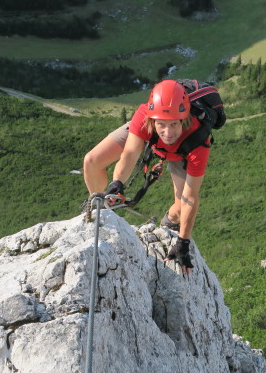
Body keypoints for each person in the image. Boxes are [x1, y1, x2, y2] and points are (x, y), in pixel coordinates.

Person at [83, 79, 222, 276]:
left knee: (181, 208)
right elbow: (131, 153)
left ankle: (168, 223)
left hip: (181, 151)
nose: (168, 132)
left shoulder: (199, 139)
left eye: (174, 124)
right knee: (92, 161)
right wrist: (117, 184)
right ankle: (102, 211)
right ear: (152, 119)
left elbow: (191, 196)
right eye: (162, 125)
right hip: (149, 135)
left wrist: (183, 241)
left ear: (183, 119)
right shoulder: (144, 116)